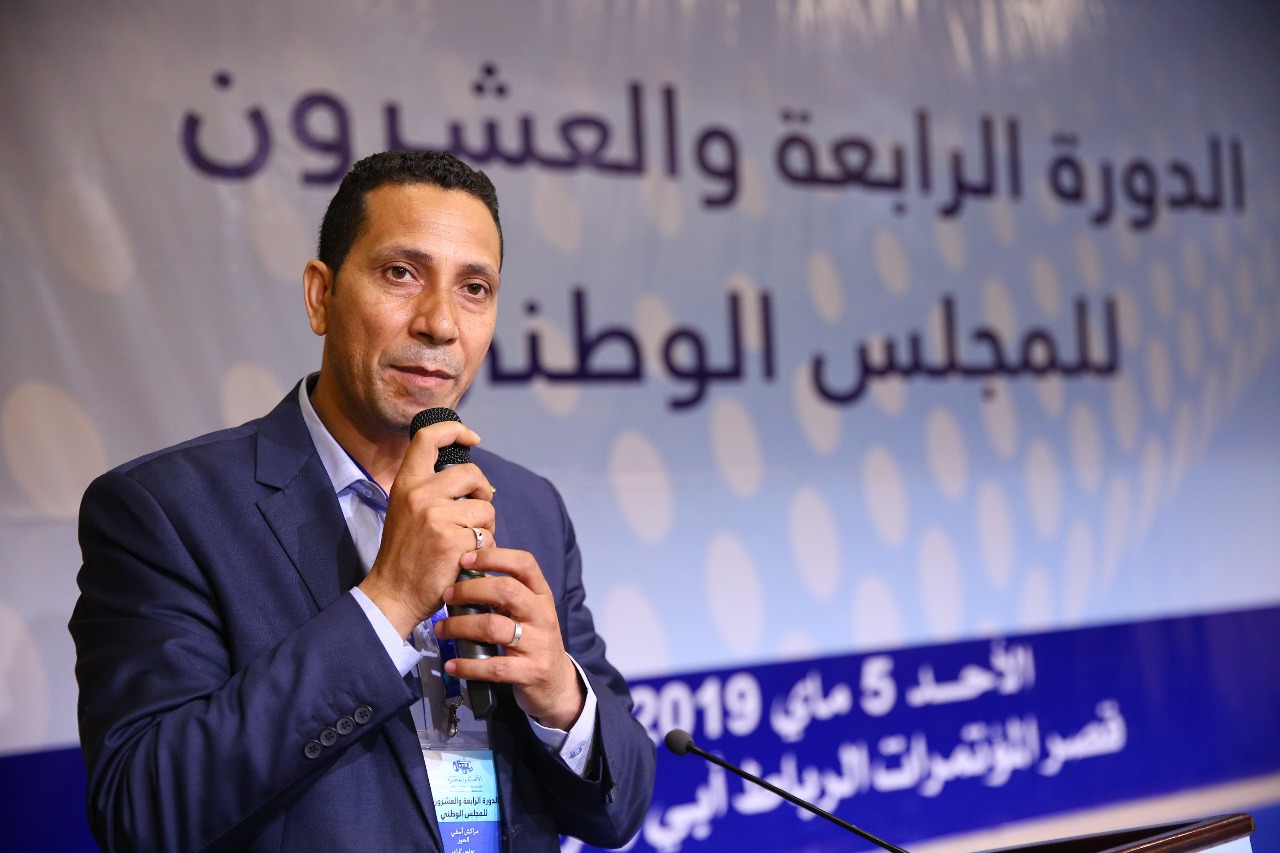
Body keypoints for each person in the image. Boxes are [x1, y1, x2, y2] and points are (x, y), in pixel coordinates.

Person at [69, 151, 655, 852]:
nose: (440, 323)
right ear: (321, 296)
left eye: (474, 288)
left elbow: (619, 809)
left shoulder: (529, 505)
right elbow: (142, 812)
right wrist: (388, 603)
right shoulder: (164, 511)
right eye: (401, 273)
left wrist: (560, 695)